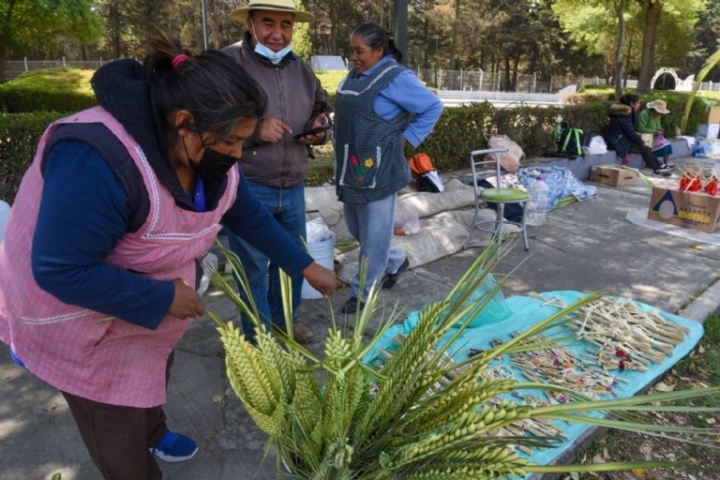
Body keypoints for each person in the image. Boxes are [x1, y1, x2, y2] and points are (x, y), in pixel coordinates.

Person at [0, 32, 335, 480]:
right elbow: (59, 270)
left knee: (155, 369)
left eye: (244, 140)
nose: (239, 154)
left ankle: (153, 431)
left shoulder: (205, 151)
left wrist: (306, 265)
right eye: (232, 142)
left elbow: (248, 216)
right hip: (77, 317)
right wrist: (162, 298)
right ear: (184, 122)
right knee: (115, 425)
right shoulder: (96, 159)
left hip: (143, 303)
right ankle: (133, 455)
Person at [223, 0, 333, 344]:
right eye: (268, 23)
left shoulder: (302, 69)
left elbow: (322, 110)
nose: (277, 33)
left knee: (293, 261)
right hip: (248, 186)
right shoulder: (229, 64)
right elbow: (205, 118)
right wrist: (255, 129)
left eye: (285, 25)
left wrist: (320, 128)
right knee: (253, 267)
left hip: (294, 185)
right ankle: (258, 337)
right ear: (251, 23)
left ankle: (287, 320)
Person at [333, 23, 443, 314]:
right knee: (360, 229)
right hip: (353, 167)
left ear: (379, 50)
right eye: (352, 50)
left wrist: (408, 138)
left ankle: (364, 291)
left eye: (360, 51)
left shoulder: (395, 78)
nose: (354, 56)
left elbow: (432, 106)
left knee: (374, 233)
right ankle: (395, 260)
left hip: (379, 168)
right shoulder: (356, 75)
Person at [606, 94, 670, 175]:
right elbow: (631, 132)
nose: (639, 105)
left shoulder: (627, 113)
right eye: (638, 103)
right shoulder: (624, 115)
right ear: (632, 104)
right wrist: (641, 141)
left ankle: (659, 167)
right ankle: (658, 167)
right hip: (617, 142)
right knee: (643, 146)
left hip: (623, 139)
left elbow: (630, 132)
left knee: (644, 147)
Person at [636, 98, 675, 170]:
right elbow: (640, 128)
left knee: (667, 144)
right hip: (644, 136)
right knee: (648, 148)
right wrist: (654, 131)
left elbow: (658, 126)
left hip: (654, 136)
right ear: (654, 109)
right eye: (659, 112)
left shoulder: (658, 116)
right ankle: (658, 164)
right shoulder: (644, 114)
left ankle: (665, 163)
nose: (660, 114)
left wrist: (660, 129)